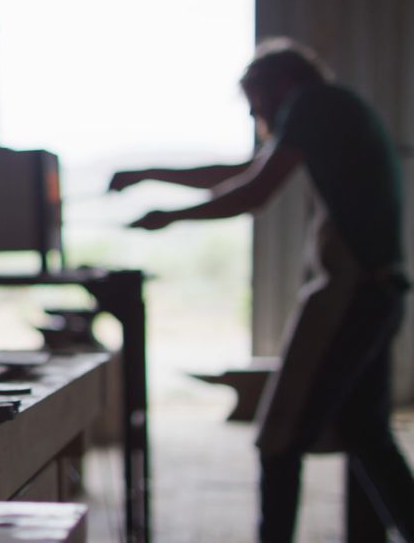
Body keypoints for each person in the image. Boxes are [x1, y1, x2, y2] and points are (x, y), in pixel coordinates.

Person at [108, 37, 414, 542]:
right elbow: (247, 172)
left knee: (279, 437)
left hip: (351, 293)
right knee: (366, 433)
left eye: (256, 105)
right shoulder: (338, 107)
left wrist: (169, 215)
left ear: (281, 85)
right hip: (382, 293)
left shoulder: (312, 104)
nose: (258, 118)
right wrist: (149, 173)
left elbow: (252, 190)